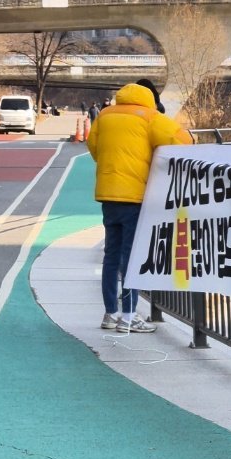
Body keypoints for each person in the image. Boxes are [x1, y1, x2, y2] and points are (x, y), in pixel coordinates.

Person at [86, 82, 192, 334]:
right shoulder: (149, 117)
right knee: (132, 258)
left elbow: (93, 146)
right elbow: (183, 141)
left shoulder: (105, 115)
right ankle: (129, 316)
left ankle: (110, 313)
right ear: (150, 99)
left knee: (111, 256)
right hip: (135, 197)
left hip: (108, 194)